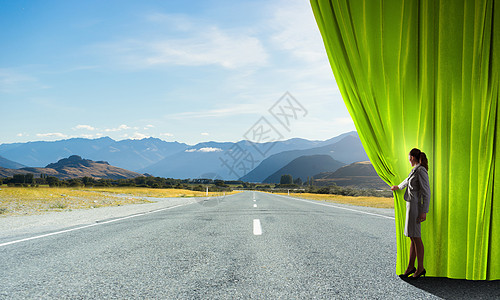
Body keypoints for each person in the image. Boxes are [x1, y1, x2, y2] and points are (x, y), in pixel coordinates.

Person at [391, 148, 431, 279]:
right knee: (412, 237)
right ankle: (410, 267)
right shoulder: (415, 169)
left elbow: (426, 192)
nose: (408, 159)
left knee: (416, 237)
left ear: (412, 157)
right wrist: (399, 187)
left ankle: (420, 268)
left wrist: (424, 211)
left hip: (416, 207)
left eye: (409, 157)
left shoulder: (421, 170)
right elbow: (408, 180)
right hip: (410, 205)